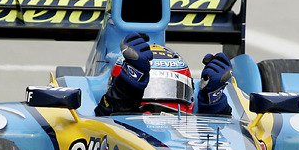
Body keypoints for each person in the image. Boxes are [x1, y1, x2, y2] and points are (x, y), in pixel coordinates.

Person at [95, 33, 232, 116]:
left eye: (171, 89)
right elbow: (108, 113)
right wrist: (126, 88)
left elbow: (217, 135)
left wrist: (214, 104)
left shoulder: (193, 123)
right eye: (147, 88)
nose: (158, 105)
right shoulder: (107, 115)